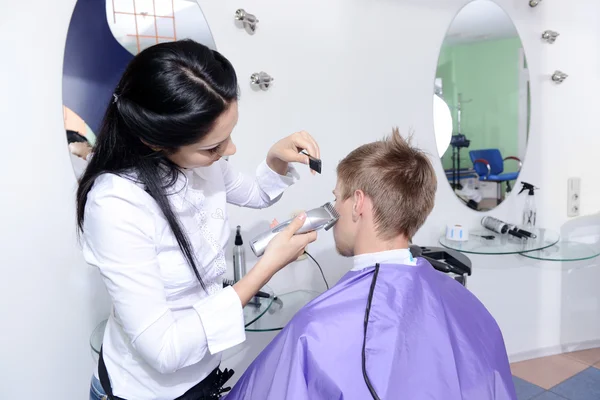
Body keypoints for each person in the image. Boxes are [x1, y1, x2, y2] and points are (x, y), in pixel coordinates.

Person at [78, 39, 320, 400]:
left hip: (203, 374)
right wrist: (266, 268)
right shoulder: (116, 204)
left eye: (229, 137)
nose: (230, 151)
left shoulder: (201, 166)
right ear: (154, 140)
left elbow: (255, 194)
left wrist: (275, 160)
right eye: (213, 147)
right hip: (145, 392)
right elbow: (164, 349)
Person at [226, 129, 516, 400]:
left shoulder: (315, 329)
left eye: (337, 197)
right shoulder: (470, 307)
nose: (334, 208)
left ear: (358, 204)